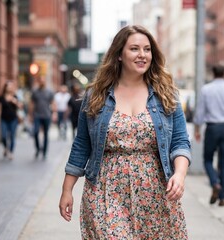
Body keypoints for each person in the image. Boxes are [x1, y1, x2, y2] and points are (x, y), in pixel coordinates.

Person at [59, 25, 191, 239]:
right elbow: (82, 144)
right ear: (119, 54)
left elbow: (180, 141)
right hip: (105, 190)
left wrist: (179, 175)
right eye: (135, 49)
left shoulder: (166, 94)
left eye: (147, 49)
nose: (142, 55)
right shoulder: (96, 95)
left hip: (155, 191)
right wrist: (67, 190)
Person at [193, 65, 224, 207]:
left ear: (213, 73)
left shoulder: (206, 90)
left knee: (208, 160)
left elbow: (200, 112)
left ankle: (215, 183)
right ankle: (222, 198)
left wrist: (197, 129)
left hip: (212, 128)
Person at [28, 76, 57, 160]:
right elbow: (31, 104)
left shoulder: (49, 92)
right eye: (40, 81)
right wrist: (30, 115)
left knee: (46, 134)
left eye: (43, 81)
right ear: (38, 82)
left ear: (45, 82)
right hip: (37, 115)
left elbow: (53, 103)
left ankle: (44, 152)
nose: (41, 82)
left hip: (47, 115)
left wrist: (54, 113)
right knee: (36, 132)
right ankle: (38, 148)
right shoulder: (35, 92)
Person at [0, 80, 22, 160]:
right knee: (3, 136)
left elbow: (20, 106)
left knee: (12, 136)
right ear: (5, 87)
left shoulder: (15, 96)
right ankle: (6, 147)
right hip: (4, 119)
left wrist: (14, 101)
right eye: (8, 86)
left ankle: (11, 152)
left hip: (13, 119)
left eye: (10, 86)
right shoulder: (1, 98)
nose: (9, 87)